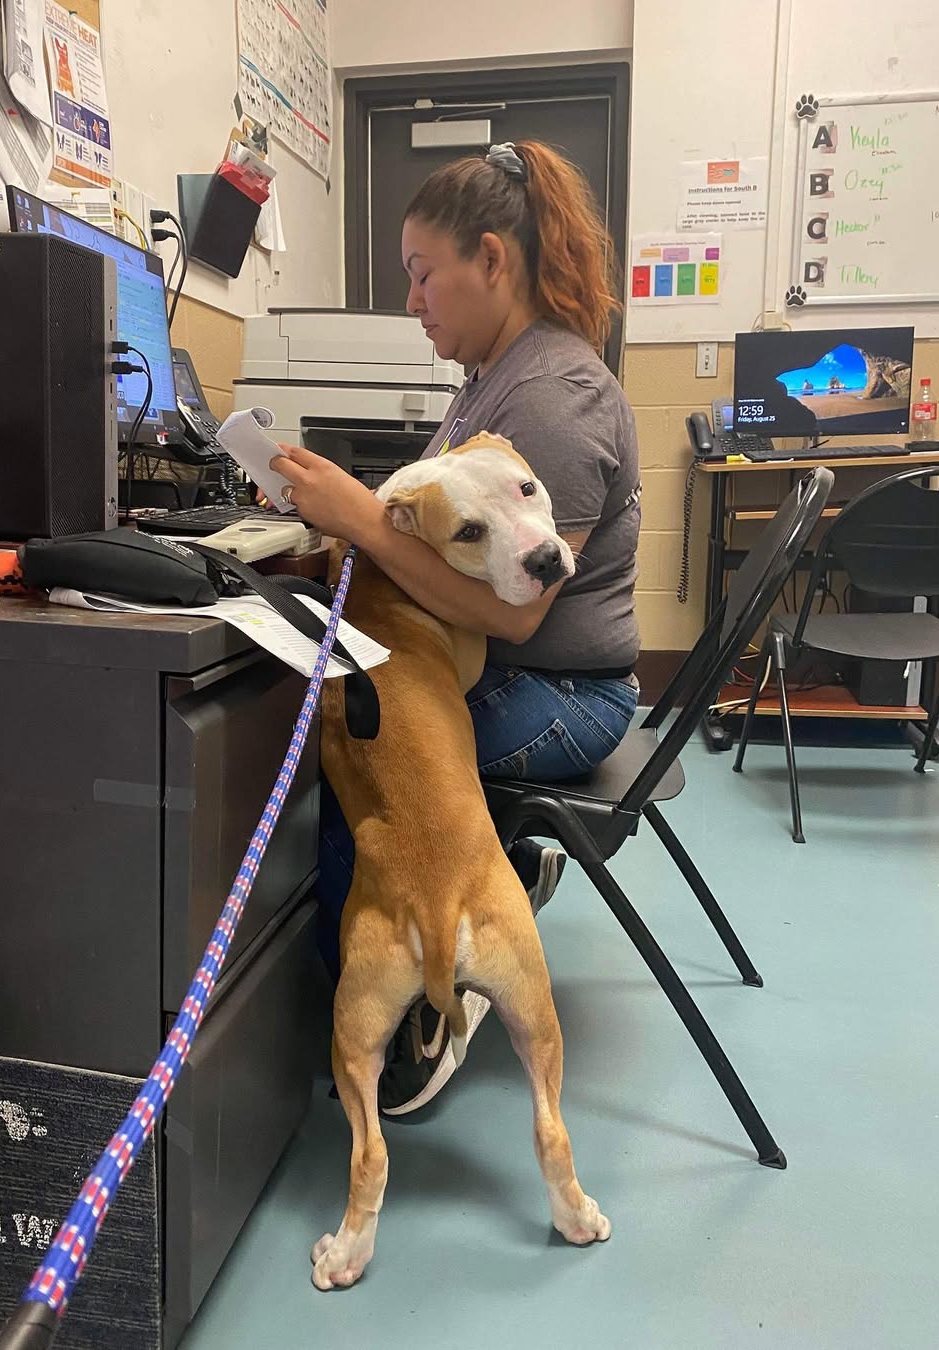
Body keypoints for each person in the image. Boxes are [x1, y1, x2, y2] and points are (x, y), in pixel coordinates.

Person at [271, 140, 641, 1114]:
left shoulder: (550, 397)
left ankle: (413, 1017)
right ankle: (481, 888)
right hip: (510, 670)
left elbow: (510, 611)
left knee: (365, 753)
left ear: (492, 260)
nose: (413, 300)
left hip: (564, 693)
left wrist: (356, 520)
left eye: (423, 274)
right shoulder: (492, 380)